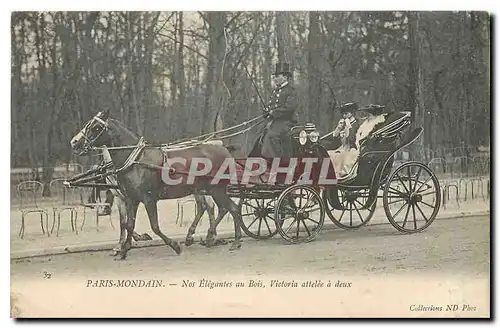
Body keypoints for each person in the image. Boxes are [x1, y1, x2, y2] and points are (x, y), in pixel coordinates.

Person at [258, 62, 299, 159]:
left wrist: (274, 112)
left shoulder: (291, 90)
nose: (275, 79)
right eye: (274, 77)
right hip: (274, 122)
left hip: (286, 122)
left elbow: (289, 108)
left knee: (272, 136)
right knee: (259, 135)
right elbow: (271, 106)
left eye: (277, 76)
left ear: (285, 77)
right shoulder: (275, 91)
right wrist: (267, 111)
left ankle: (278, 161)